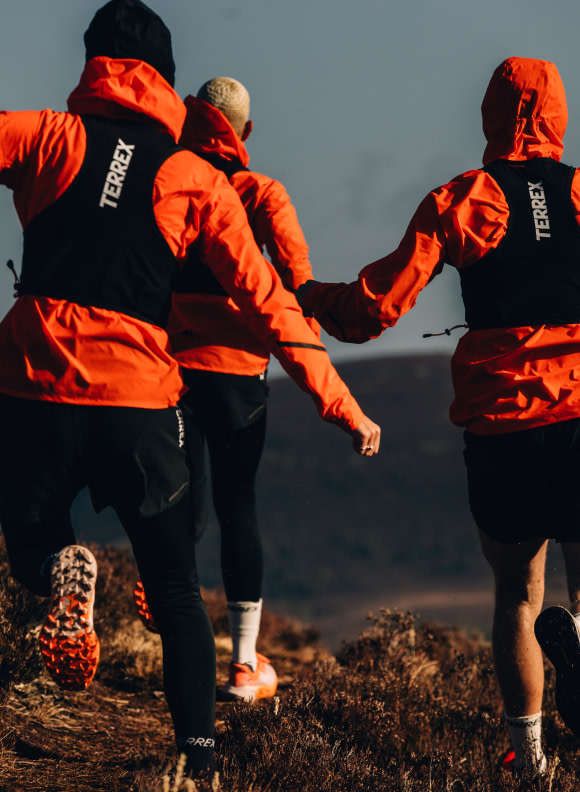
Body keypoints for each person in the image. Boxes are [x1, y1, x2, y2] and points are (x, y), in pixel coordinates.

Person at [0, 0, 379, 783]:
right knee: (174, 587)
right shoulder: (196, 180)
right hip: (138, 398)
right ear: (168, 84)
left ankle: (57, 570)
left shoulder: (42, 134)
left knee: (31, 538)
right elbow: (276, 303)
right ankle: (198, 764)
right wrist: (341, 402)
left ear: (91, 63)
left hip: (32, 385)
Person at [297, 57, 580, 777]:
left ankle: (530, 760)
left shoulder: (462, 199)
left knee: (516, 593)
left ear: (492, 117)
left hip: (504, 422)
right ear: (557, 114)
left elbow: (376, 308)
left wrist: (305, 294)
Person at [159, 76, 323, 701]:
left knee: (180, 502)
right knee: (239, 509)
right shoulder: (263, 194)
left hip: (171, 368)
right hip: (240, 376)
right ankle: (244, 665)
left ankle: (181, 643)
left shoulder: (167, 178)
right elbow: (297, 283)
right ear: (245, 131)